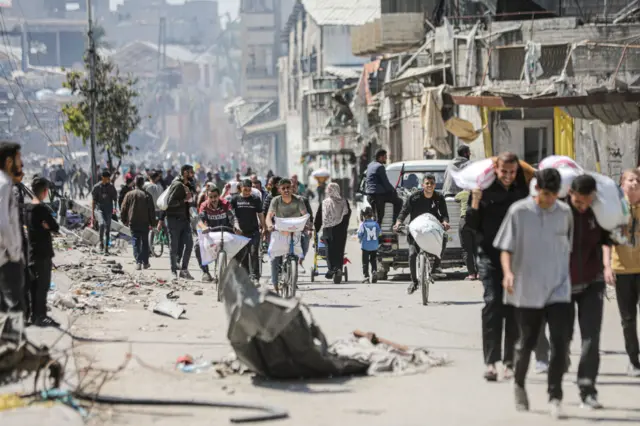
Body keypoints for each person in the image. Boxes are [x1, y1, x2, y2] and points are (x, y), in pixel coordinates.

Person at [493, 168, 573, 418]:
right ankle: (518, 383)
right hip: (528, 288)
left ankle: (555, 396)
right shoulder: (519, 212)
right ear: (537, 189)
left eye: (554, 195)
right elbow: (505, 247)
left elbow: (568, 247)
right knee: (527, 342)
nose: (550, 200)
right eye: (546, 194)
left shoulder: (565, 213)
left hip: (559, 287)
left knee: (560, 343)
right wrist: (507, 273)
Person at [467, 152, 529, 382]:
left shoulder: (522, 193)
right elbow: (471, 225)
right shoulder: (483, 191)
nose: (508, 176)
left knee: (512, 309)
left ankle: (510, 362)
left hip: (516, 259)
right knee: (493, 303)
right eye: (504, 171)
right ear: (496, 169)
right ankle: (491, 362)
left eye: (512, 172)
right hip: (490, 257)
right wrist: (474, 201)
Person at [564, 174, 615, 408]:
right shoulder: (558, 213)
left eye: (587, 200)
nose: (583, 205)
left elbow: (608, 240)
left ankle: (587, 389)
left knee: (591, 338)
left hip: (593, 282)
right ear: (570, 194)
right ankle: (558, 372)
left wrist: (606, 266)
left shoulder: (599, 212)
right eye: (579, 201)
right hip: (562, 284)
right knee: (562, 337)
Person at [394, 174, 450, 293]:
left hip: (433, 228)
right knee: (412, 254)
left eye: (432, 183)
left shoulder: (439, 197)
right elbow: (404, 212)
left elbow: (444, 214)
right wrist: (398, 222)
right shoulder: (414, 197)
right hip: (416, 230)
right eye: (427, 183)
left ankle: (436, 267)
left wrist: (445, 222)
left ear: (435, 185)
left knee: (444, 237)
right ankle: (414, 282)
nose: (429, 186)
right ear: (422, 185)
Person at [611, 169, 640, 377]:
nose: (635, 183)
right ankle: (633, 359)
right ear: (622, 185)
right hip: (622, 269)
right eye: (631, 180)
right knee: (628, 318)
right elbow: (606, 240)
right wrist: (606, 267)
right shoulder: (615, 209)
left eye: (638, 180)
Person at [26, 177, 59, 326]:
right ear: (45, 192)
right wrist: (47, 226)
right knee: (43, 285)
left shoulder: (26, 208)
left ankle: (34, 315)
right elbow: (55, 227)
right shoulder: (41, 209)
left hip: (31, 251)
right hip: (43, 252)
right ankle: (41, 316)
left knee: (33, 285)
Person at [266, 178, 309, 290]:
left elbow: (305, 214)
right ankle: (275, 282)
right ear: (279, 190)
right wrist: (270, 225)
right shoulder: (275, 201)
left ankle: (298, 263)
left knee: (305, 238)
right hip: (280, 231)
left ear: (292, 188)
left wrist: (308, 225)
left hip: (295, 230)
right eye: (283, 188)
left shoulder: (299, 200)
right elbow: (269, 216)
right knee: (274, 257)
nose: (286, 190)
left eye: (288, 187)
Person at [0, 142, 25, 314]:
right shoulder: (3, 185)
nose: (21, 163)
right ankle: (13, 339)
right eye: (18, 159)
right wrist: (14, 252)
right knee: (15, 309)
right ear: (9, 162)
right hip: (7, 259)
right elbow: (3, 223)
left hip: (6, 257)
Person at [163, 164, 196, 280]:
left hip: (185, 220)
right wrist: (184, 200)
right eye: (191, 172)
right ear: (185, 173)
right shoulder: (177, 185)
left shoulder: (188, 185)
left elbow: (191, 202)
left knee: (190, 244)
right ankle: (173, 271)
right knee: (174, 247)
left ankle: (184, 270)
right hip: (174, 221)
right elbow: (170, 203)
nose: (193, 175)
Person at [196, 186, 234, 282]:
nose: (213, 199)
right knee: (197, 245)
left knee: (242, 247)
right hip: (211, 234)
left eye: (215, 196)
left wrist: (236, 226)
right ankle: (205, 272)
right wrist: (203, 227)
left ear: (219, 196)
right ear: (207, 197)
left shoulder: (225, 204)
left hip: (226, 233)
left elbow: (232, 217)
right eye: (211, 197)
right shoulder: (204, 205)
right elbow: (199, 220)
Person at [230, 179, 265, 283]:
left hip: (253, 231)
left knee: (254, 252)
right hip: (240, 232)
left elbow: (260, 214)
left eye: (249, 190)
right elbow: (232, 214)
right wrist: (235, 227)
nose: (247, 192)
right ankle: (246, 275)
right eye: (245, 190)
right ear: (241, 188)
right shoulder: (235, 199)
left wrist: (263, 227)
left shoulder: (256, 199)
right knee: (243, 254)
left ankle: (255, 276)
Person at [314, 183, 351, 281]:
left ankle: (331, 269)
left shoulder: (325, 203)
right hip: (341, 231)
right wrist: (343, 228)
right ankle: (338, 268)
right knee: (339, 251)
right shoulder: (344, 202)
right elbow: (347, 216)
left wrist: (315, 230)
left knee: (329, 250)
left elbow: (319, 218)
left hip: (328, 229)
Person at [121, 176, 157, 270]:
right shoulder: (147, 195)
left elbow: (123, 208)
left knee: (135, 242)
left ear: (135, 183)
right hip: (145, 223)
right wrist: (153, 223)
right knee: (145, 243)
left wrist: (124, 220)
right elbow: (151, 211)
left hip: (133, 222)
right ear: (142, 184)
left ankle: (138, 262)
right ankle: (145, 263)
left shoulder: (129, 194)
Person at [365, 149, 402, 225]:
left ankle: (377, 233)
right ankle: (394, 222)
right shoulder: (380, 167)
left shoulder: (370, 165)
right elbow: (385, 183)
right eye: (385, 157)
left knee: (377, 216)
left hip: (370, 195)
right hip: (378, 196)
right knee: (399, 202)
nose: (386, 159)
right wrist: (393, 190)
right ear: (380, 157)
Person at [91, 170, 118, 254]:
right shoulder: (96, 187)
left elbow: (115, 198)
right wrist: (93, 213)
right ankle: (101, 243)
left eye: (108, 178)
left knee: (108, 228)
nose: (108, 180)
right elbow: (93, 201)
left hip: (109, 210)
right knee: (102, 224)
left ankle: (106, 247)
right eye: (106, 178)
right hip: (100, 210)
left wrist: (115, 208)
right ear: (102, 178)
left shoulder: (111, 187)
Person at [455, 189, 478, 280]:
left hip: (464, 221)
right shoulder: (477, 193)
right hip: (476, 221)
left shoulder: (462, 194)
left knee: (466, 250)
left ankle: (471, 274)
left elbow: (456, 199)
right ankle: (479, 273)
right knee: (477, 249)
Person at [358, 206, 381, 283]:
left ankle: (366, 277)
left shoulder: (363, 225)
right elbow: (379, 233)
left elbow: (359, 234)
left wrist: (360, 238)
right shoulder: (376, 224)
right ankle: (374, 271)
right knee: (373, 260)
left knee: (365, 262)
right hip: (374, 246)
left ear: (363, 216)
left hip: (365, 246)